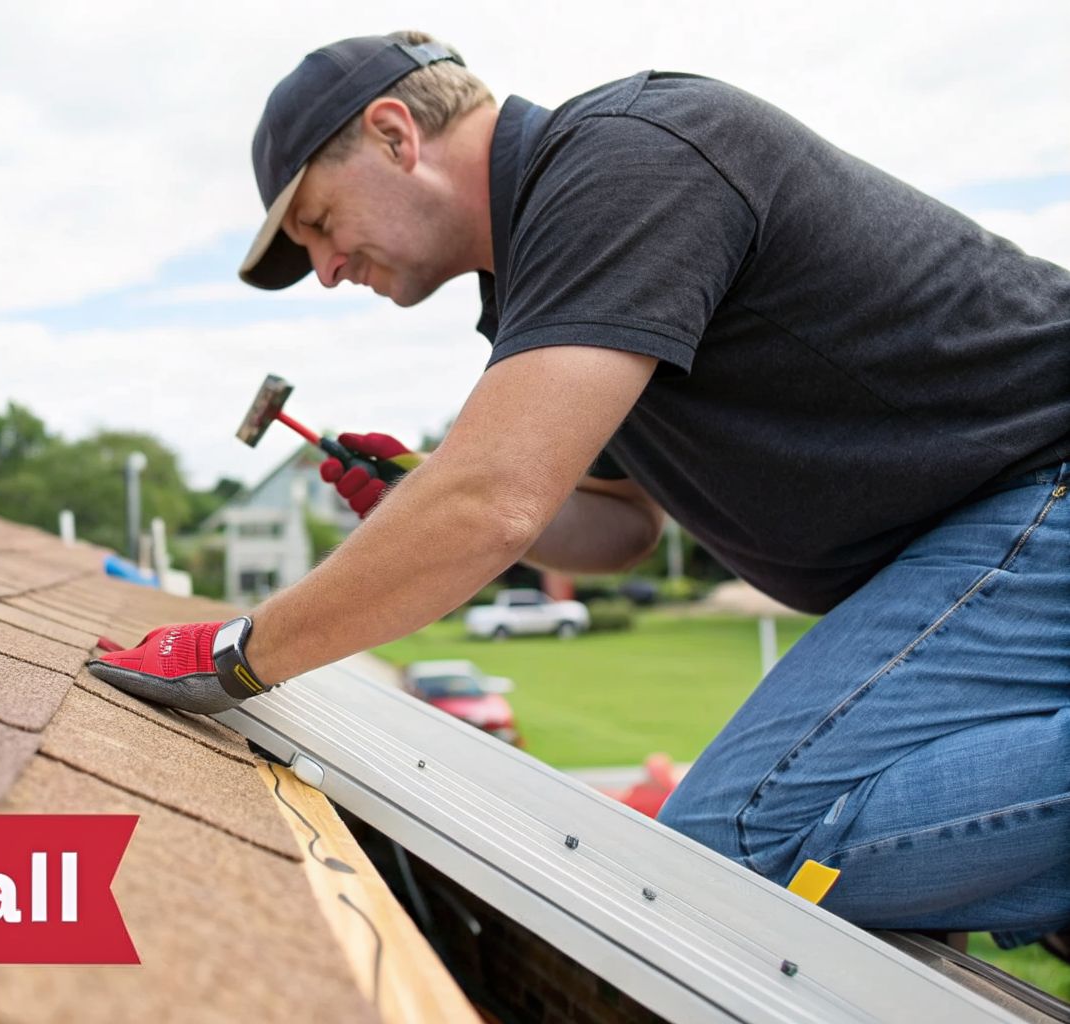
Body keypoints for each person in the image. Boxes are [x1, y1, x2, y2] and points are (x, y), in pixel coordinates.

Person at [88, 31, 1070, 953]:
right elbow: (620, 528)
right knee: (771, 866)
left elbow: (491, 504)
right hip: (985, 532)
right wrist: (423, 499)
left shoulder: (627, 159)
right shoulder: (548, 271)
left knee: (738, 854)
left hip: (1039, 486)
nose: (326, 269)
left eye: (317, 223)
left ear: (393, 134)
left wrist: (237, 654)